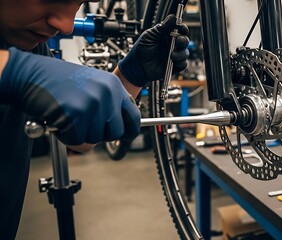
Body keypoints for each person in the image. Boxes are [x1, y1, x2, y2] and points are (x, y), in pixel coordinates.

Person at [0, 0, 189, 238]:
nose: (67, 26)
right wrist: (15, 72)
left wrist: (131, 75)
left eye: (76, 5)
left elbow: (81, 141)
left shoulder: (25, 44)